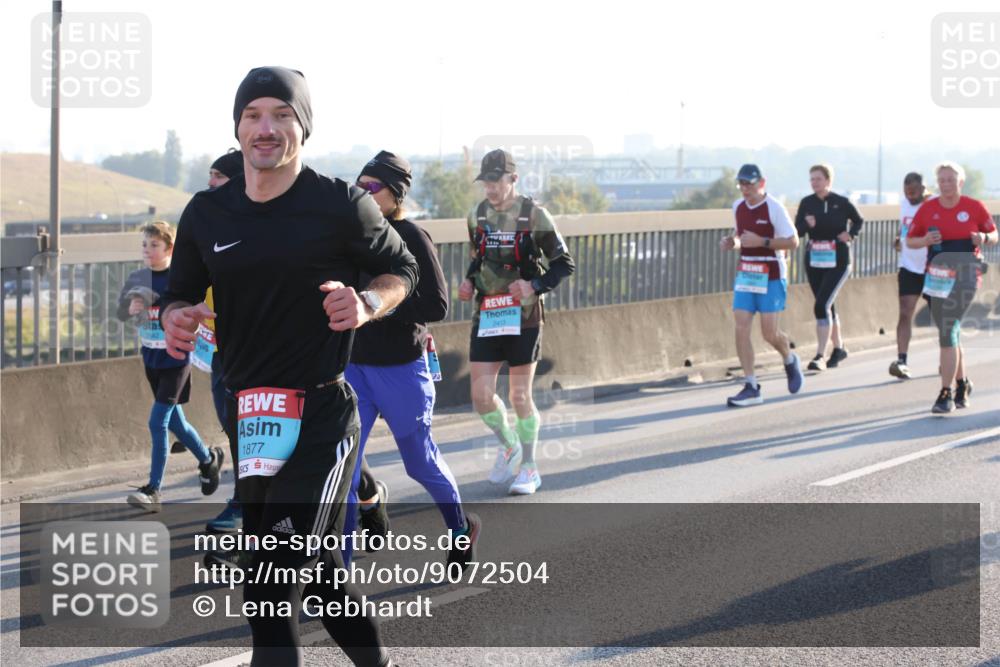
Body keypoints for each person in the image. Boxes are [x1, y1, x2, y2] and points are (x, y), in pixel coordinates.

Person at [160, 66, 416, 667]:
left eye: (281, 115)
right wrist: (176, 315)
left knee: (270, 579)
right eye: (253, 116)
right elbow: (181, 291)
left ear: (303, 127)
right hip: (252, 418)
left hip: (323, 414)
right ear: (238, 126)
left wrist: (367, 302)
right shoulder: (207, 213)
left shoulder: (340, 204)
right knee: (323, 582)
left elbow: (401, 270)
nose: (265, 128)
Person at [342, 150, 480, 567]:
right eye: (359, 185)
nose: (362, 192)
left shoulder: (412, 236)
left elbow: (437, 304)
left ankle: (460, 529)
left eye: (372, 187)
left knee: (419, 463)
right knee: (344, 470)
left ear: (394, 194)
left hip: (401, 367)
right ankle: (340, 576)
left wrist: (380, 304)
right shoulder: (350, 236)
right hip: (354, 367)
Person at [458, 149, 575, 495]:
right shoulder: (476, 216)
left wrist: (533, 285)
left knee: (520, 395)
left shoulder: (535, 215)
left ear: (513, 179)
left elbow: (563, 264)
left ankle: (529, 467)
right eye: (486, 182)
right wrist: (467, 282)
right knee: (481, 395)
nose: (490, 189)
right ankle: (508, 444)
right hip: (488, 314)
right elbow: (477, 258)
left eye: (497, 181)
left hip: (524, 317)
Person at [116, 221, 224, 512]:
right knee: (175, 421)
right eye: (144, 245)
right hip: (151, 359)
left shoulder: (180, 279)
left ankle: (153, 490)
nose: (147, 251)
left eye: (154, 245)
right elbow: (121, 312)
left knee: (158, 423)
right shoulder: (138, 277)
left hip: (176, 358)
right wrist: (131, 308)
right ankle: (208, 459)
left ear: (169, 249)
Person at [905, 161, 997, 413]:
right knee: (950, 333)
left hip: (967, 274)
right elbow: (910, 241)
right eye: (942, 179)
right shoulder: (927, 209)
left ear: (960, 182)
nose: (946, 183)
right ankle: (962, 383)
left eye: (951, 179)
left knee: (948, 330)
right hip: (937, 277)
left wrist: (984, 238)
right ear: (938, 183)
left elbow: (994, 233)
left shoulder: (973, 207)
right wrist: (924, 240)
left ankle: (945, 393)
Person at [719, 164, 804, 407]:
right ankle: (751, 386)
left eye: (750, 184)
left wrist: (763, 241)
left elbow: (793, 241)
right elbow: (740, 238)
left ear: (761, 183)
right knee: (741, 326)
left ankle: (789, 358)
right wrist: (731, 242)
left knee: (769, 333)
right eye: (741, 184)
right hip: (747, 272)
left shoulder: (774, 207)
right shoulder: (737, 207)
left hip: (772, 273)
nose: (745, 189)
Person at [203, 149, 245, 533]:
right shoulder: (206, 220)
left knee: (254, 429)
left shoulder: (263, 222)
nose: (210, 181)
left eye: (218, 175)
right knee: (234, 428)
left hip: (259, 349)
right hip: (219, 349)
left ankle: (245, 503)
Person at [794, 164, 863, 371]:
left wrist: (850, 234)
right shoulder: (806, 203)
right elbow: (797, 231)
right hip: (815, 260)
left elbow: (858, 221)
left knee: (821, 305)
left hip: (838, 260)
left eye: (818, 179)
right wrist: (808, 225)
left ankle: (819, 355)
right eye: (812, 179)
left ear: (828, 181)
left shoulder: (841, 202)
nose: (815, 183)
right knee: (827, 305)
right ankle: (839, 348)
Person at [889, 172, 932, 379]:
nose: (910, 196)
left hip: (932, 266)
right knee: (905, 312)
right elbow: (903, 229)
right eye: (907, 192)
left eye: (914, 192)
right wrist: (898, 240)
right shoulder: (904, 204)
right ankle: (902, 360)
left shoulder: (934, 204)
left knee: (943, 318)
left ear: (924, 189)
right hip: (908, 266)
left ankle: (949, 357)